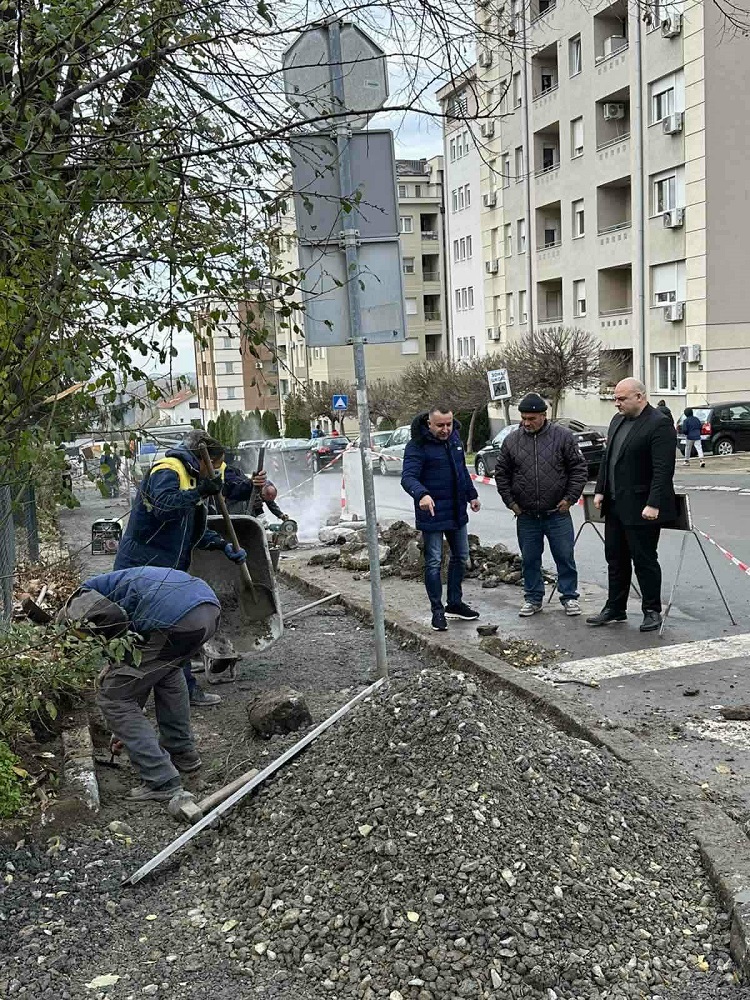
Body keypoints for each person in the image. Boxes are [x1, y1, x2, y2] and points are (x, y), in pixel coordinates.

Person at [114, 430, 264, 706]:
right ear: (202, 458)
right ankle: (173, 693)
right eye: (216, 466)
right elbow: (165, 509)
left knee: (162, 632)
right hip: (144, 563)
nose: (218, 473)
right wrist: (200, 491)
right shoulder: (167, 471)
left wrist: (222, 545)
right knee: (169, 630)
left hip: (167, 565)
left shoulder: (193, 475)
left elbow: (190, 530)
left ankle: (144, 693)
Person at [58, 567, 220, 803]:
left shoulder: (82, 602)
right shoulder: (108, 588)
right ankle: (182, 752)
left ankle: (161, 779)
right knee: (167, 673)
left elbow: (124, 653)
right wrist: (125, 727)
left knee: (113, 696)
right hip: (206, 610)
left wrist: (124, 722)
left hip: (173, 617)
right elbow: (139, 667)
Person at [587, 378, 677, 633]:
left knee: (644, 559)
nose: (617, 403)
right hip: (615, 504)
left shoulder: (659, 423)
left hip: (642, 507)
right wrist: (601, 489)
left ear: (640, 396)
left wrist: (653, 503)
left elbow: (663, 469)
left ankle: (651, 611)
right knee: (615, 558)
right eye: (615, 398)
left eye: (622, 399)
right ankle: (615, 607)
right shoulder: (617, 421)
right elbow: (609, 458)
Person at [494, 393, 588, 617]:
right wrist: (511, 503)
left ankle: (569, 597)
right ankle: (533, 598)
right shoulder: (512, 441)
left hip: (557, 512)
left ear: (543, 416)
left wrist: (570, 499)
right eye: (524, 418)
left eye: (532, 418)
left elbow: (578, 469)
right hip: (526, 514)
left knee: (564, 556)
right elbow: (501, 474)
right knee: (530, 559)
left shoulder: (563, 437)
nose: (527, 423)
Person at [401, 405, 481, 631]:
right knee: (434, 561)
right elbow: (408, 477)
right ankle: (437, 611)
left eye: (449, 424)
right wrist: (422, 494)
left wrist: (471, 495)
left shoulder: (454, 440)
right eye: (440, 425)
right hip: (432, 513)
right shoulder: (417, 445)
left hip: (456, 510)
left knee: (461, 556)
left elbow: (462, 471)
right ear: (429, 423)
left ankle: (454, 603)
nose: (446, 429)